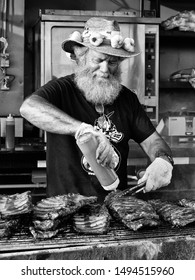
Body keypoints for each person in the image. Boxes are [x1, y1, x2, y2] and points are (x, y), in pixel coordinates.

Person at [20, 17, 173, 202]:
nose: (105, 69)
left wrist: (162, 161)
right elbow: (28, 108)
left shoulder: (127, 99)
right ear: (80, 56)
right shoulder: (61, 90)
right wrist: (83, 129)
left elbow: (153, 142)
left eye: (113, 62)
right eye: (98, 60)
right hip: (66, 208)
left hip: (115, 207)